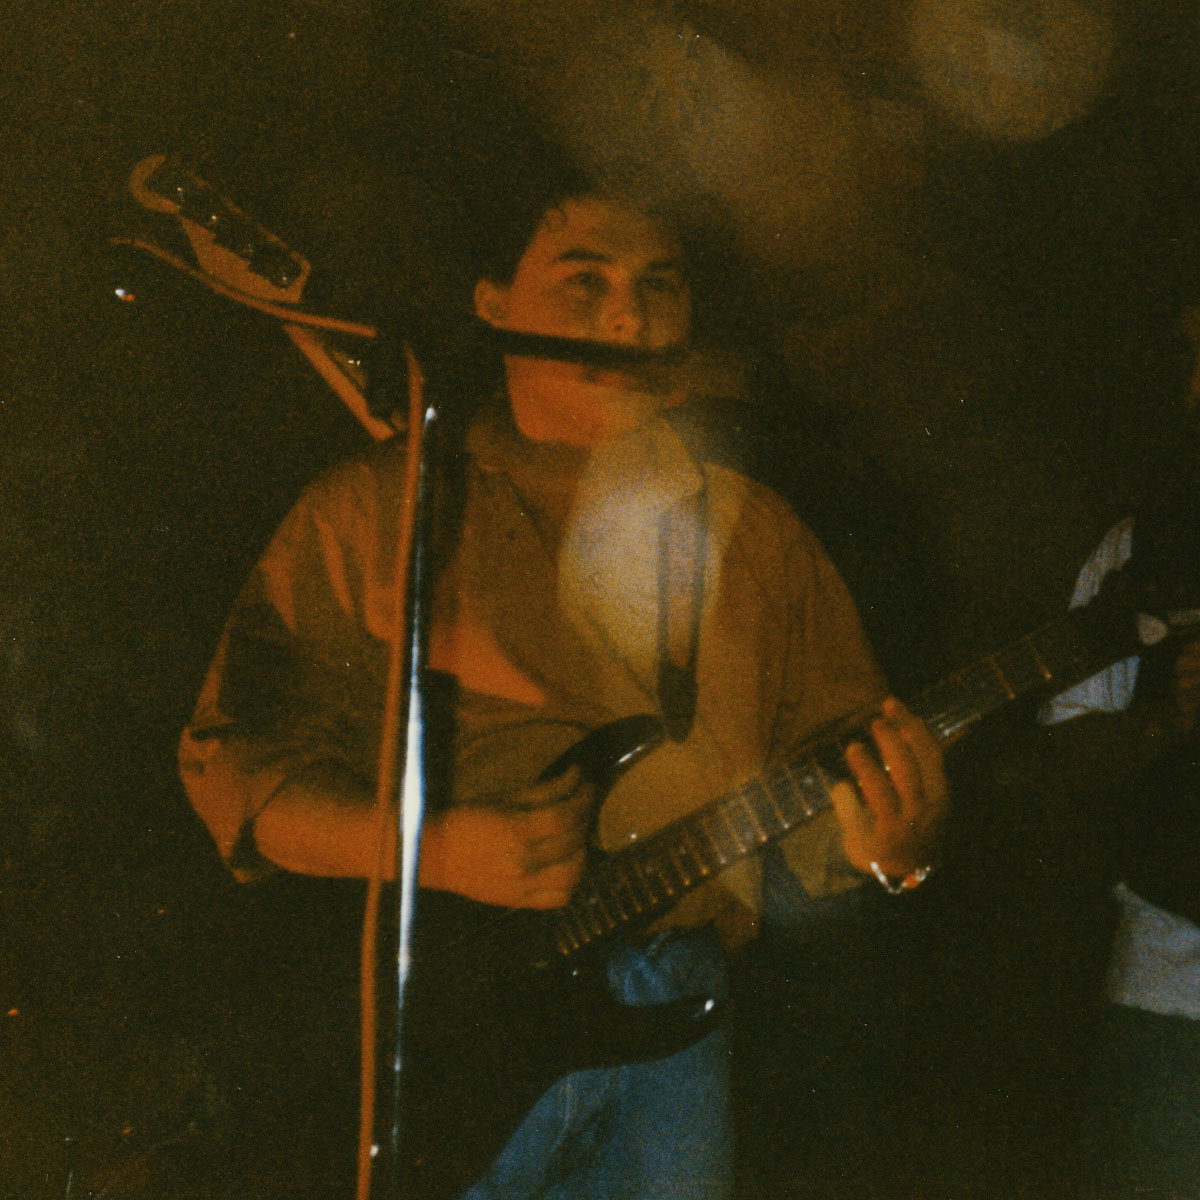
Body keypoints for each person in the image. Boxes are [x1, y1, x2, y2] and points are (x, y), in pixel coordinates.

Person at [178, 174, 948, 1199]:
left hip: (681, 1019)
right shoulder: (371, 508)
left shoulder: (756, 535)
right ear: (493, 301)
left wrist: (899, 853)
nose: (627, 315)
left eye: (659, 286)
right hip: (437, 1026)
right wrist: (436, 849)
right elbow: (235, 771)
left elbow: (837, 814)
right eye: (585, 283)